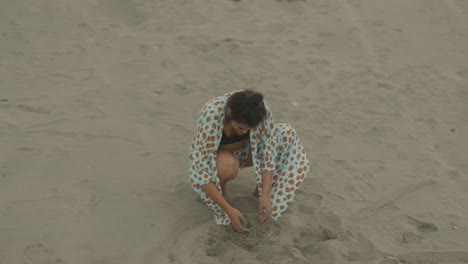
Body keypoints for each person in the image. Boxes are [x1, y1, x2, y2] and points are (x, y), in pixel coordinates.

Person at [188, 90, 310, 232]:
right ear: (228, 113)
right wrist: (229, 210)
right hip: (220, 157)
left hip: (248, 151)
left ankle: (259, 197)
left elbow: (269, 154)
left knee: (287, 135)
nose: (245, 132)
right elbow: (200, 172)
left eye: (250, 129)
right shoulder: (211, 116)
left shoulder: (260, 110)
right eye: (241, 128)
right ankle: (221, 195)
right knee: (227, 165)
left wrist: (265, 196)